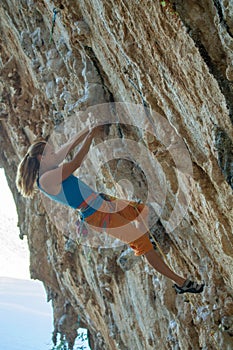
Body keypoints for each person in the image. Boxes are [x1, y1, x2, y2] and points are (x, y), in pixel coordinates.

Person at [16, 126, 204, 294]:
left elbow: (69, 144)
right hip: (96, 215)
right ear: (41, 158)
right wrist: (90, 138)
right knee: (143, 243)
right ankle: (180, 282)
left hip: (101, 202)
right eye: (50, 154)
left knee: (142, 211)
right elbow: (75, 164)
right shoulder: (45, 181)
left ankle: (141, 242)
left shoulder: (49, 168)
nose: (55, 155)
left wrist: (90, 128)